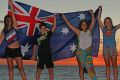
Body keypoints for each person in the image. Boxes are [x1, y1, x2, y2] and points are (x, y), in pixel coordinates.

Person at [61, 10, 97, 80]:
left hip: (88, 52)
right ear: (80, 25)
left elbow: (93, 22)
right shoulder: (78, 32)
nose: (84, 25)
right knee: (81, 67)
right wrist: (64, 17)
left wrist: (92, 14)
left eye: (85, 24)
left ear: (87, 25)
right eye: (82, 24)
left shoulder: (89, 31)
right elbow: (70, 25)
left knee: (91, 68)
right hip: (80, 52)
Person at [0, 0, 26, 80]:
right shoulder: (3, 31)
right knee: (10, 70)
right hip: (9, 51)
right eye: (7, 20)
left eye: (9, 19)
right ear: (5, 21)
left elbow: (13, 15)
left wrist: (11, 5)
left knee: (21, 69)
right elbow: (1, 41)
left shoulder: (14, 26)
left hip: (17, 50)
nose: (8, 21)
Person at [98, 6, 120, 80]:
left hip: (112, 49)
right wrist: (100, 10)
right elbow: (98, 19)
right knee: (107, 66)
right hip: (105, 50)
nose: (107, 23)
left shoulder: (114, 28)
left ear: (111, 22)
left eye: (108, 21)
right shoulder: (103, 29)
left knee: (114, 65)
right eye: (106, 22)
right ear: (104, 23)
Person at [32, 16, 56, 80]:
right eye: (42, 28)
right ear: (40, 28)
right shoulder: (37, 37)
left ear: (46, 29)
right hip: (40, 55)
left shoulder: (48, 34)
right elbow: (35, 46)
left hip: (48, 54)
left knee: (50, 69)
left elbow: (54, 27)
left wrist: (55, 18)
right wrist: (34, 55)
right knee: (39, 69)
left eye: (44, 28)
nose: (43, 29)